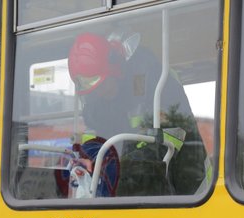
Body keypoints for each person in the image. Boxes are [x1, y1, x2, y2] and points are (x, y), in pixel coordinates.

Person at [67, 32, 207, 196]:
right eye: (94, 90)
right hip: (137, 187)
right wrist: (86, 158)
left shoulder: (156, 81)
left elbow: (176, 134)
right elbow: (99, 139)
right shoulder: (98, 105)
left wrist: (125, 165)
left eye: (103, 84)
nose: (101, 92)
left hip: (191, 184)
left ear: (114, 71)